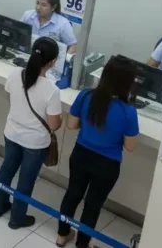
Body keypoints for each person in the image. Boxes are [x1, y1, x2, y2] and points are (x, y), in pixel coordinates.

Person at [56, 56, 139, 248]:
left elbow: (71, 124)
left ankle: (62, 235)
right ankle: (82, 244)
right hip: (107, 164)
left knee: (72, 194)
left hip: (81, 154)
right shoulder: (128, 111)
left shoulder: (86, 95)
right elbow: (130, 146)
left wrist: (89, 127)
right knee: (93, 205)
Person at [0, 37, 62, 229]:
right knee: (26, 180)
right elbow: (54, 125)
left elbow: (9, 97)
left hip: (12, 133)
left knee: (7, 169)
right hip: (35, 142)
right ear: (53, 62)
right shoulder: (51, 90)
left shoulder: (15, 73)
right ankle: (17, 218)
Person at [21, 0, 77, 78]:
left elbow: (73, 46)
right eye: (37, 3)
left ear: (53, 7)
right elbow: (19, 33)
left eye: (43, 5)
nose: (38, 7)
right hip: (27, 58)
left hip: (49, 66)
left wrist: (63, 60)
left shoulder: (63, 24)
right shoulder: (28, 15)